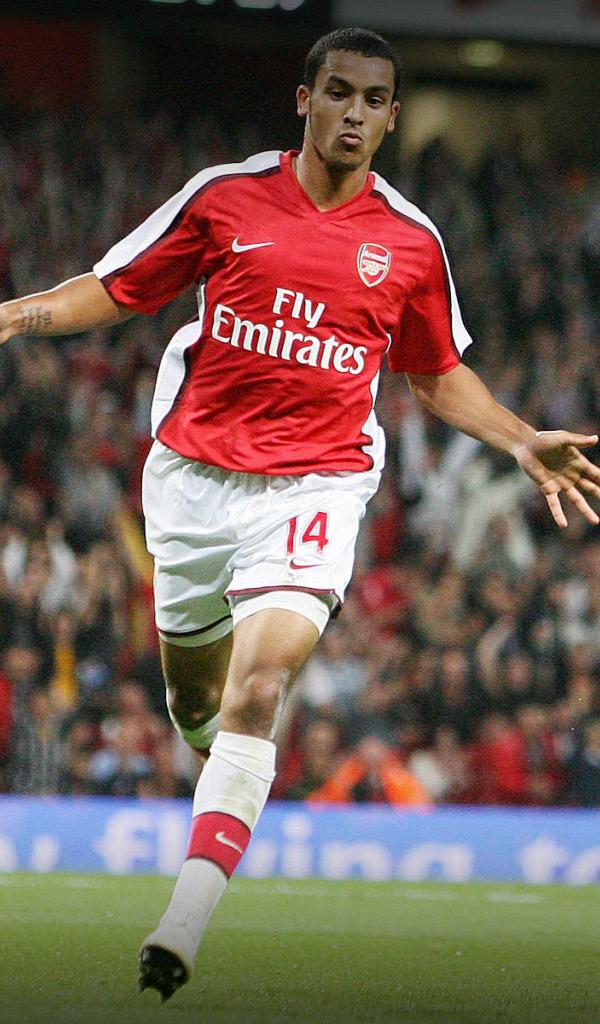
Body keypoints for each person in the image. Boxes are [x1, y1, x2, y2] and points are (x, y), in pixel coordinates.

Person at [0, 26, 599, 1001]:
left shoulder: (410, 241)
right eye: (340, 92)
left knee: (261, 682)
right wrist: (18, 313)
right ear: (305, 99)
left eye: (375, 100)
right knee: (194, 700)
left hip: (316, 484)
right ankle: (218, 752)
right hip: (194, 480)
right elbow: (117, 290)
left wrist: (521, 437)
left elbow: (435, 373)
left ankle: (182, 924)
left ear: (392, 118)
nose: (355, 113)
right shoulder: (227, 197)